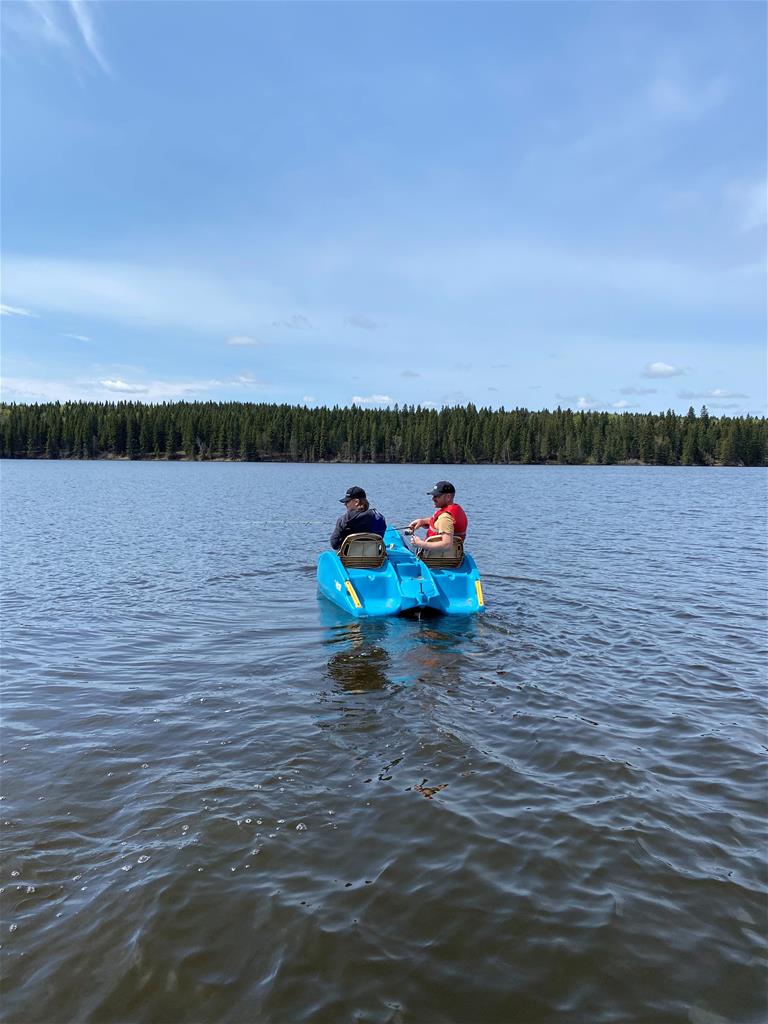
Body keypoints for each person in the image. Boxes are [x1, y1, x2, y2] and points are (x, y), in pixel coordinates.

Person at [408, 480, 467, 552]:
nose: (433, 499)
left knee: (402, 541)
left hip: (434, 557)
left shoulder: (445, 518)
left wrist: (420, 543)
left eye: (436, 496)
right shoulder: (453, 513)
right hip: (452, 555)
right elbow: (441, 524)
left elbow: (447, 545)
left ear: (448, 497)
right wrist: (423, 521)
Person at [330, 486, 387, 550]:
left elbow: (334, 544)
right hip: (374, 556)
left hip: (349, 558)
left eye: (347, 502)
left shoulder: (342, 520)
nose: (345, 504)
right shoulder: (378, 518)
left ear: (357, 502)